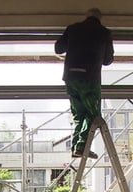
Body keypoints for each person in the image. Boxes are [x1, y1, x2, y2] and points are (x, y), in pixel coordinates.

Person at [55, 8, 114, 159]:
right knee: (93, 114)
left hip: (70, 78)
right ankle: (81, 146)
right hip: (90, 78)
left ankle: (76, 147)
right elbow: (108, 60)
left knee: (79, 114)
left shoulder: (73, 28)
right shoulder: (104, 33)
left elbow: (58, 48)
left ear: (86, 17)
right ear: (100, 19)